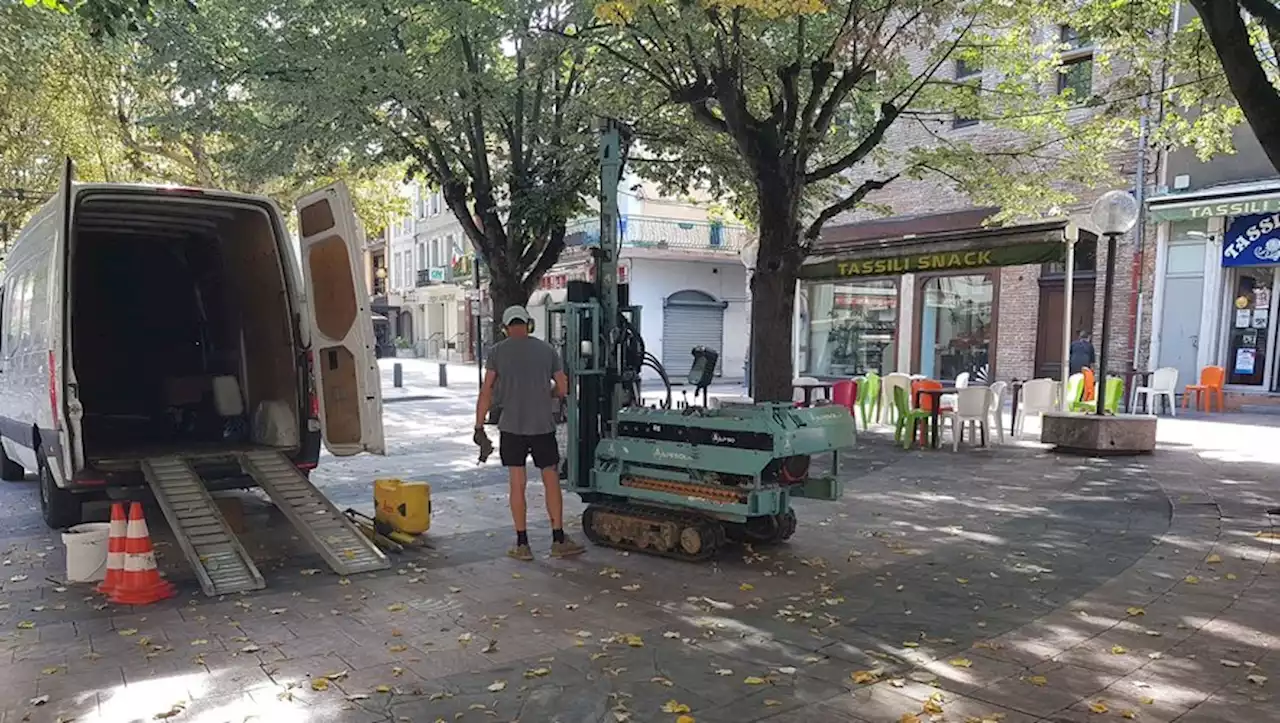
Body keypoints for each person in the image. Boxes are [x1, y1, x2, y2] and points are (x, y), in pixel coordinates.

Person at [474, 305, 584, 561]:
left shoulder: (497, 352)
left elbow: (486, 390)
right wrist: (549, 394)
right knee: (551, 480)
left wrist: (479, 426)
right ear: (529, 324)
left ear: (505, 327)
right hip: (542, 426)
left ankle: (522, 544)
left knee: (517, 483)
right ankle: (558, 539)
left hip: (511, 427)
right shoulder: (547, 350)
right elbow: (563, 386)